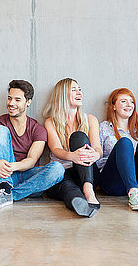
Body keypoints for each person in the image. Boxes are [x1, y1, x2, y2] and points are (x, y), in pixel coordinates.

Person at [0, 79, 64, 209]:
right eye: (9, 98)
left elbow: (32, 160)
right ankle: (4, 186)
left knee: (58, 169)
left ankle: (4, 194)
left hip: (29, 179)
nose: (11, 103)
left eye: (17, 100)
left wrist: (11, 167)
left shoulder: (38, 129)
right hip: (2, 176)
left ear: (28, 102)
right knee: (0, 130)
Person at [97, 88, 138, 211]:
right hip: (114, 182)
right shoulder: (103, 127)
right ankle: (133, 193)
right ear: (113, 106)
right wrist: (124, 156)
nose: (129, 105)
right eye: (123, 101)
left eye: (132, 102)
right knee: (124, 143)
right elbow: (98, 161)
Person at [43, 78, 101, 217]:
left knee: (78, 136)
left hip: (87, 174)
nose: (79, 93)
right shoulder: (51, 122)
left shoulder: (90, 119)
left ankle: (88, 190)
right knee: (67, 186)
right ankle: (78, 202)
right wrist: (71, 156)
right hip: (62, 173)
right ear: (62, 95)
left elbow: (98, 148)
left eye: (79, 89)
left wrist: (96, 155)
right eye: (73, 90)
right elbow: (56, 149)